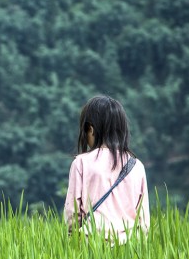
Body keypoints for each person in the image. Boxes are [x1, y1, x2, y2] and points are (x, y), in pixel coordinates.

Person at [63, 95, 149, 242]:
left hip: (89, 244)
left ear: (90, 129)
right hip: (128, 248)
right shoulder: (136, 166)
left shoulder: (81, 163)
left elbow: (73, 212)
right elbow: (143, 219)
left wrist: (71, 240)